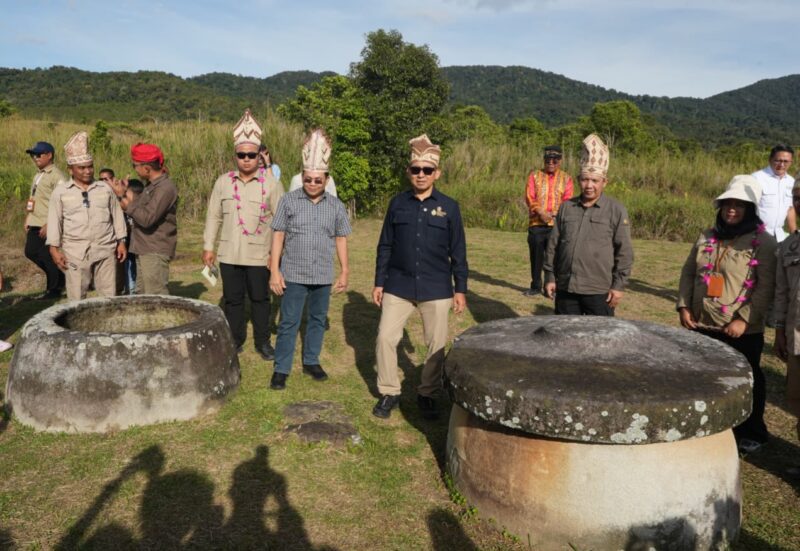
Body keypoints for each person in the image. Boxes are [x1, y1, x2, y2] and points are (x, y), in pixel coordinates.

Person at [677, 175, 777, 454]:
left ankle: (752, 431)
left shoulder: (763, 242)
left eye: (739, 205)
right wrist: (684, 306)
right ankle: (709, 425)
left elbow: (765, 286)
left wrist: (744, 318)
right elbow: (688, 272)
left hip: (740, 329)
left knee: (746, 379)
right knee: (704, 376)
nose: (731, 210)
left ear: (750, 210)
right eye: (727, 204)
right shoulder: (707, 235)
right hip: (701, 323)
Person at [371, 134, 468, 420]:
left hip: (437, 287)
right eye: (416, 169)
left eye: (427, 170)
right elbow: (385, 245)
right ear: (408, 172)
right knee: (385, 338)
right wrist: (379, 281)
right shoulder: (397, 204)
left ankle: (427, 392)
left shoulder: (450, 207)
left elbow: (458, 252)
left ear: (437, 173)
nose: (421, 175)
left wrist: (460, 289)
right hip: (398, 285)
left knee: (436, 345)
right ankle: (389, 392)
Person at [268, 129, 351, 390]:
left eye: (317, 180)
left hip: (323, 274)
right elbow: (278, 235)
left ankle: (311, 361)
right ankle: (281, 368)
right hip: (293, 273)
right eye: (308, 179)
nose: (312, 184)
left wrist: (345, 271)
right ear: (302, 177)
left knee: (317, 319)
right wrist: (274, 271)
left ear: (326, 180)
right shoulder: (288, 202)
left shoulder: (336, 206)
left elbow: (340, 238)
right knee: (289, 322)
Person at [203, 109, 285, 361]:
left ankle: (263, 342)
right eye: (242, 155)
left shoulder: (271, 183)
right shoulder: (222, 182)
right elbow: (213, 216)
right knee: (233, 300)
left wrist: (275, 256)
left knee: (261, 300)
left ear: (259, 156)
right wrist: (209, 246)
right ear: (235, 156)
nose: (247, 159)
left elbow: (281, 222)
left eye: (251, 155)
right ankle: (235, 340)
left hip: (260, 254)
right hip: (230, 253)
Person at [544, 134, 633, 315]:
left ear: (604, 182)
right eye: (585, 179)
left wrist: (618, 286)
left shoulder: (616, 210)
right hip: (566, 288)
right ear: (578, 180)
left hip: (599, 291)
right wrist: (549, 277)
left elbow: (624, 252)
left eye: (595, 180)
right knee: (564, 338)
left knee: (600, 341)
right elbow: (552, 246)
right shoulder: (566, 208)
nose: (589, 185)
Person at [46, 132, 127, 301]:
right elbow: (54, 222)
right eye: (82, 168)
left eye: (90, 166)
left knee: (108, 295)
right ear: (71, 170)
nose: (87, 171)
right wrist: (54, 249)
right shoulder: (60, 193)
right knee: (76, 297)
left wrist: (121, 241)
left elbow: (117, 215)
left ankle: (107, 326)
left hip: (105, 248)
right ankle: (77, 328)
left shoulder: (104, 189)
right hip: (75, 252)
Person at [110, 143, 178, 295]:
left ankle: (162, 320)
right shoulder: (152, 186)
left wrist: (123, 199)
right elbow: (141, 206)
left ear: (147, 168)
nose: (134, 169)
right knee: (142, 294)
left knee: (155, 296)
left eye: (135, 165)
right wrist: (124, 191)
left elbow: (147, 218)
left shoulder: (165, 188)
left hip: (154, 249)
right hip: (144, 248)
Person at [772, 177, 800, 450]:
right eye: (797, 198)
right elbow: (781, 295)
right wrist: (779, 331)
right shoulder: (788, 248)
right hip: (796, 338)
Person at [524, 145, 573, 296]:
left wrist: (552, 215)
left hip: (557, 225)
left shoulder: (566, 178)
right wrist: (541, 212)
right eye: (548, 160)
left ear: (560, 161)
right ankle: (535, 286)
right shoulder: (534, 175)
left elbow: (568, 200)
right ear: (544, 160)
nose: (551, 163)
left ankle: (552, 287)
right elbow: (529, 197)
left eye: (555, 160)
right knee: (536, 256)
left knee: (555, 258)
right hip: (537, 224)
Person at [23, 140, 66, 299]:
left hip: (46, 223)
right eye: (33, 155)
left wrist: (51, 224)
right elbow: (33, 198)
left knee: (46, 255)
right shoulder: (38, 175)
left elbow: (62, 202)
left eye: (38, 154)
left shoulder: (56, 176)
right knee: (30, 252)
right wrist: (28, 216)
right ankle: (60, 279)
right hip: (35, 220)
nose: (35, 158)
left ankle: (54, 288)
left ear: (49, 155)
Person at [752, 144, 796, 243]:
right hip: (757, 235)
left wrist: (794, 234)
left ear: (791, 162)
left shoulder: (791, 181)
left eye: (786, 161)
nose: (782, 165)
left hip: (779, 236)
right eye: (778, 160)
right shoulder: (757, 178)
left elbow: (790, 209)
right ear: (770, 159)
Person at [121, 179, 144, 294]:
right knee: (129, 269)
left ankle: (133, 290)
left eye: (126, 194)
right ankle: (130, 290)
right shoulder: (123, 209)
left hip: (138, 246)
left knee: (139, 272)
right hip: (127, 246)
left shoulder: (142, 209)